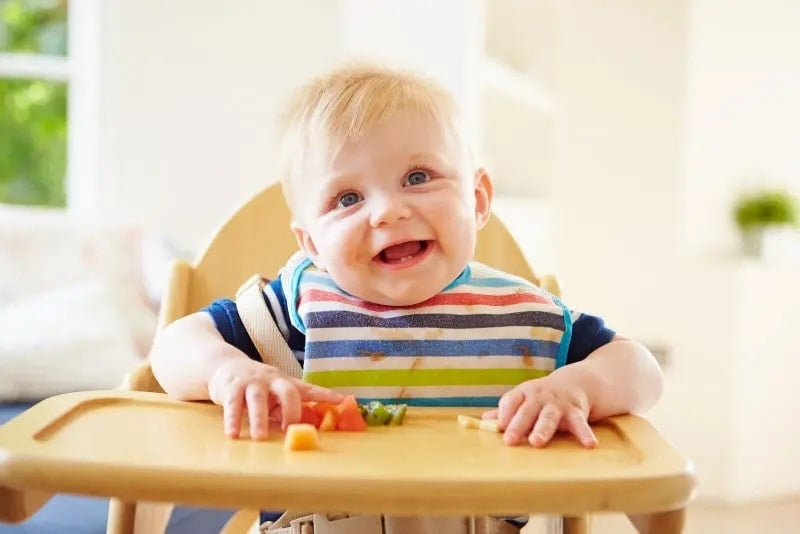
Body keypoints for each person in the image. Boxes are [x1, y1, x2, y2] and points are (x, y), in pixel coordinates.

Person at [149, 63, 663, 532]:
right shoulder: (296, 311)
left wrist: (579, 386)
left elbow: (639, 369)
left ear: (477, 200)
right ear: (311, 244)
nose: (387, 211)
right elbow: (174, 346)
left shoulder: (522, 319)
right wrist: (227, 371)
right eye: (347, 198)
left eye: (418, 177)